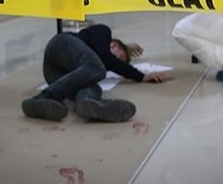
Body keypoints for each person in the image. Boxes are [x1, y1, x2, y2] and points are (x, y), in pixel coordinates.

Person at [22, 24, 165, 122]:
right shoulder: (103, 31)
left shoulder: (91, 62)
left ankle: (89, 103)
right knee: (97, 68)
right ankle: (44, 96)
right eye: (119, 57)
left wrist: (123, 53)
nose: (116, 63)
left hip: (56, 74)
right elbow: (106, 57)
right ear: (114, 44)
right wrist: (141, 76)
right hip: (61, 44)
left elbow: (106, 59)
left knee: (92, 87)